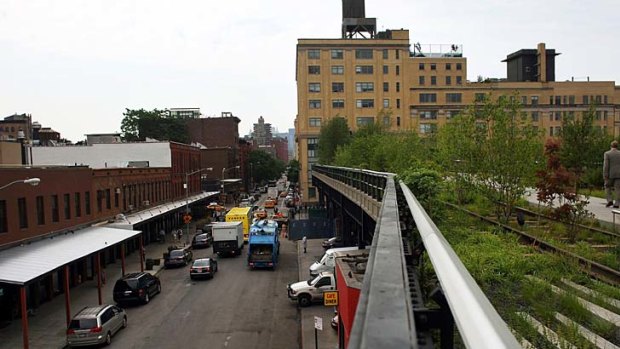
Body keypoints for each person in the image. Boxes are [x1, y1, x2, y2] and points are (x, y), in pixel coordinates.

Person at [603, 140, 620, 208]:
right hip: (619, 174)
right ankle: (617, 203)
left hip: (610, 174)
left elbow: (606, 165)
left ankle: (609, 200)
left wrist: (605, 174)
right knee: (618, 189)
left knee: (607, 186)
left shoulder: (607, 153)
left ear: (611, 146)